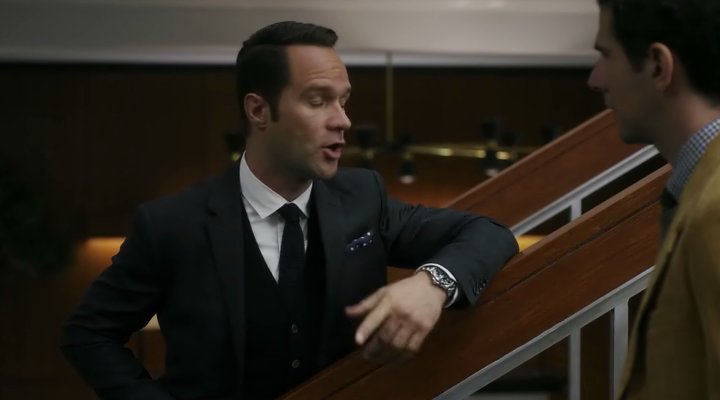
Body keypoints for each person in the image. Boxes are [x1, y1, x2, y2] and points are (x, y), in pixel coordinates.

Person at [61, 21, 518, 400]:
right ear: (259, 110)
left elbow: (490, 232)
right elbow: (88, 333)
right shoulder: (171, 225)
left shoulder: (364, 196)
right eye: (318, 100)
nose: (342, 120)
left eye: (343, 101)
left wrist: (431, 284)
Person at [588, 1, 720, 398]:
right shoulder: (698, 190)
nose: (595, 79)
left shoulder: (715, 208)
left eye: (606, 55)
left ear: (659, 67)